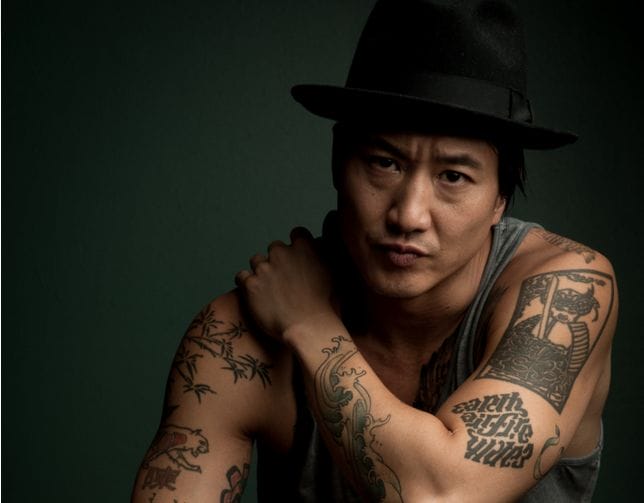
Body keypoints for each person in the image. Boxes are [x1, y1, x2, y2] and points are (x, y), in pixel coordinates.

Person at [131, 1, 618, 501]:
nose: (409, 214)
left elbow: (442, 495)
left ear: (500, 199)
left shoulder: (564, 294)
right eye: (384, 164)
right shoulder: (237, 338)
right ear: (338, 162)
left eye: (453, 176)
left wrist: (309, 323)